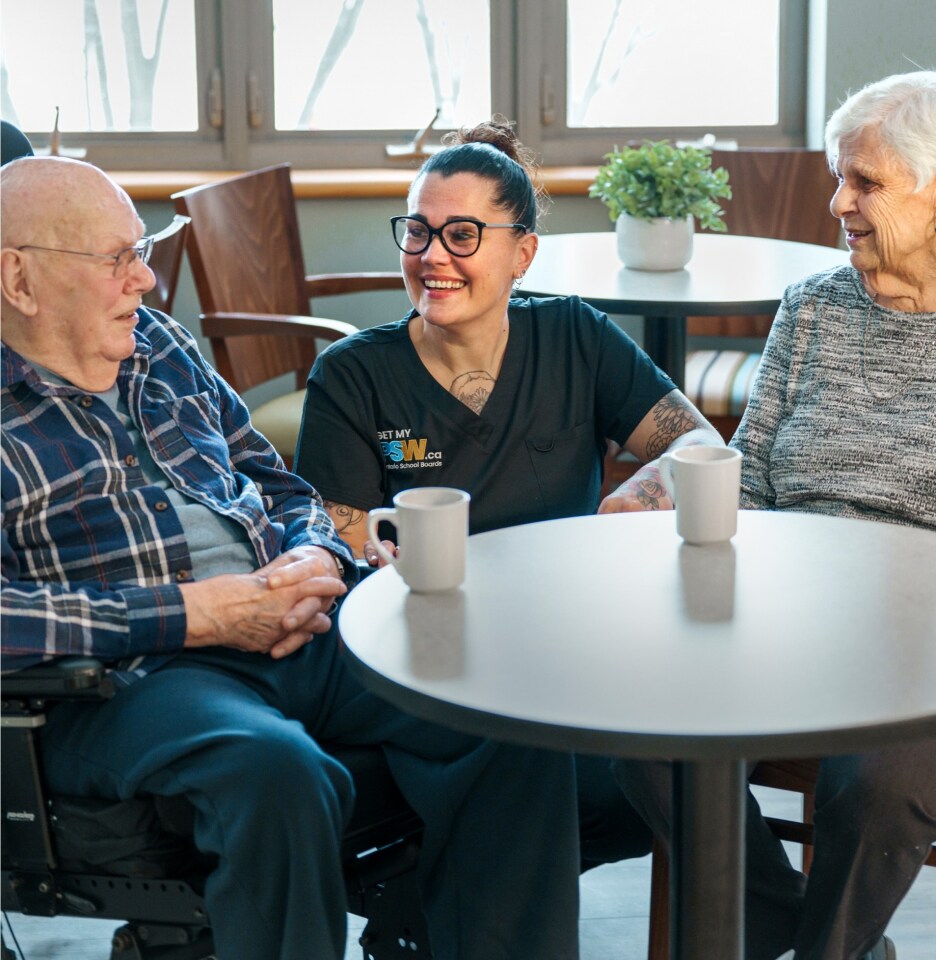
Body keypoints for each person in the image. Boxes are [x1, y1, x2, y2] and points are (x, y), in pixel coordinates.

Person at [0, 156, 584, 960]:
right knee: (278, 773)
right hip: (131, 679)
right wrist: (191, 615)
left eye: (141, 250)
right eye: (117, 258)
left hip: (287, 621)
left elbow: (272, 478)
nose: (145, 279)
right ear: (19, 279)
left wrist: (314, 554)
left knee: (500, 693)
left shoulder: (157, 344)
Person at [295, 116, 726, 871]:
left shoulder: (574, 336)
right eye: (418, 232)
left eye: (462, 235)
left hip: (567, 643)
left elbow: (696, 441)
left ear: (522, 252)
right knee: (553, 782)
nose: (433, 256)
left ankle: (433, 900)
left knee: (666, 769)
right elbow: (344, 547)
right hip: (437, 661)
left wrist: (637, 496)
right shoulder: (354, 376)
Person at [616, 71, 936, 960]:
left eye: (866, 182)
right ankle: (789, 932)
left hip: (921, 636)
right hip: (782, 605)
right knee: (647, 739)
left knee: (877, 787)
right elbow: (750, 472)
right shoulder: (814, 306)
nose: (839, 203)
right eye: (839, 178)